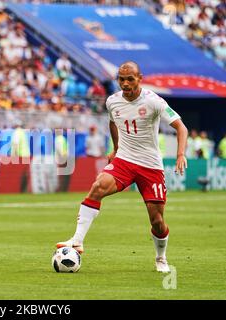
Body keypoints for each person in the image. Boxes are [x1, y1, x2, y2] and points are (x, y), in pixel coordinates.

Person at [56, 61, 188, 273]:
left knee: (157, 221)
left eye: (130, 79)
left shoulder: (154, 101)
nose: (125, 84)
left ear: (140, 78)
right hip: (125, 160)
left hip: (150, 166)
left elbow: (181, 127)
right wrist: (116, 148)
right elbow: (112, 122)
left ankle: (161, 257)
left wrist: (181, 154)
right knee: (98, 187)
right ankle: (77, 240)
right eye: (121, 79)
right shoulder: (112, 102)